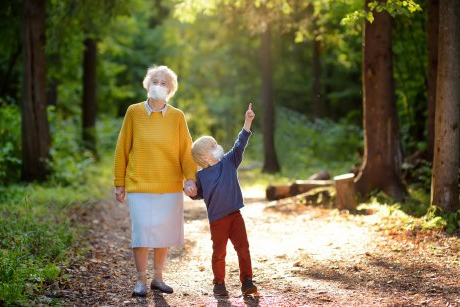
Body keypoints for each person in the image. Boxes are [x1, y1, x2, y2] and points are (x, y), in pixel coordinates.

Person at [113, 65, 197, 297]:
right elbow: (122, 148)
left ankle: (158, 278)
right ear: (147, 84)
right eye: (155, 81)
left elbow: (186, 152)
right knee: (141, 233)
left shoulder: (177, 117)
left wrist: (190, 179)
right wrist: (119, 182)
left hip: (169, 186)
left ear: (170, 90)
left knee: (163, 233)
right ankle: (140, 280)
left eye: (164, 83)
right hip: (139, 184)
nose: (159, 86)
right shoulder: (134, 112)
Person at [187, 103, 258, 296]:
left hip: (235, 215)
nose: (218, 147)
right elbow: (200, 193)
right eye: (213, 146)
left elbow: (240, 143)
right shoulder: (201, 176)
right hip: (217, 220)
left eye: (216, 144)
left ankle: (247, 281)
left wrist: (247, 122)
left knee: (243, 248)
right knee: (219, 253)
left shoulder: (229, 161)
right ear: (204, 156)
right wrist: (192, 192)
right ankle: (219, 283)